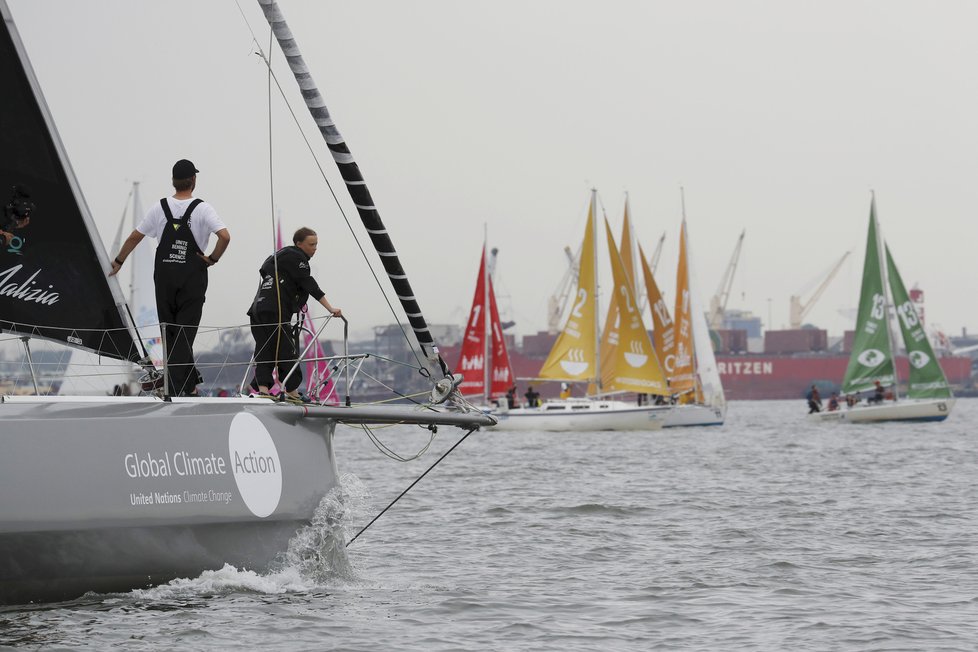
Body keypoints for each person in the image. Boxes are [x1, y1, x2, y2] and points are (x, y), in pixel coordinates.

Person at [110, 160, 230, 396]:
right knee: (185, 333)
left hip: (164, 277)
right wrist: (213, 259)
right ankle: (173, 389)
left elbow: (136, 236)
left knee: (171, 333)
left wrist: (119, 261)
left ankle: (188, 384)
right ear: (193, 180)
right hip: (192, 278)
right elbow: (225, 236)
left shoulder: (159, 207)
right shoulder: (203, 209)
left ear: (173, 181)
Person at [247, 227, 341, 403]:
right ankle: (292, 391)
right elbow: (310, 285)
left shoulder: (279, 256)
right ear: (299, 244)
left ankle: (263, 389)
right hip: (276, 311)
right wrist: (330, 308)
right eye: (311, 244)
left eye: (316, 244)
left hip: (257, 309)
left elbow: (264, 271)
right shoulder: (298, 259)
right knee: (287, 349)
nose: (315, 248)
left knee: (264, 348)